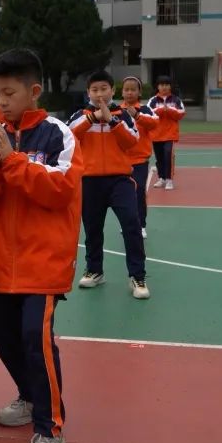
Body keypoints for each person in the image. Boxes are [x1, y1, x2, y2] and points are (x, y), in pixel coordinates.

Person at [0, 49, 83, 443]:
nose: (1, 101)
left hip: (44, 261)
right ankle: (30, 396)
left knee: (37, 339)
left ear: (33, 91)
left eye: (8, 93)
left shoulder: (59, 135)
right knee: (4, 336)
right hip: (2, 262)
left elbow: (60, 190)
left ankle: (50, 429)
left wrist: (12, 161)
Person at [68, 71, 149, 299]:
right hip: (89, 180)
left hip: (120, 180)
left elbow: (132, 142)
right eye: (94, 90)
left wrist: (111, 120)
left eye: (104, 88)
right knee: (93, 229)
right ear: (88, 93)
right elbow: (69, 137)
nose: (99, 93)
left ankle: (137, 277)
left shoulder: (123, 115)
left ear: (112, 90)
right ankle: (95, 271)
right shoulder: (80, 114)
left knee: (131, 225)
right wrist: (93, 118)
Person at [119, 76, 158, 239]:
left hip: (140, 161)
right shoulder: (116, 109)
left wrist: (136, 115)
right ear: (121, 91)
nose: (129, 93)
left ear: (139, 92)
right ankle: (128, 224)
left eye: (133, 89)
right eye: (126, 89)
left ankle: (141, 225)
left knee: (139, 192)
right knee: (124, 196)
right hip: (121, 161)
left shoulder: (145, 110)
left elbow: (154, 123)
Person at [146, 76, 185, 190]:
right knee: (159, 158)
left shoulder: (176, 100)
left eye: (167, 84)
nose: (164, 87)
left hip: (170, 134)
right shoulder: (153, 100)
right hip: (156, 134)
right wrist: (161, 110)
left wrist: (169, 110)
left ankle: (169, 180)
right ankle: (161, 178)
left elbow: (181, 113)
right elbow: (148, 112)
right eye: (162, 85)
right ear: (157, 87)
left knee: (168, 155)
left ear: (170, 86)